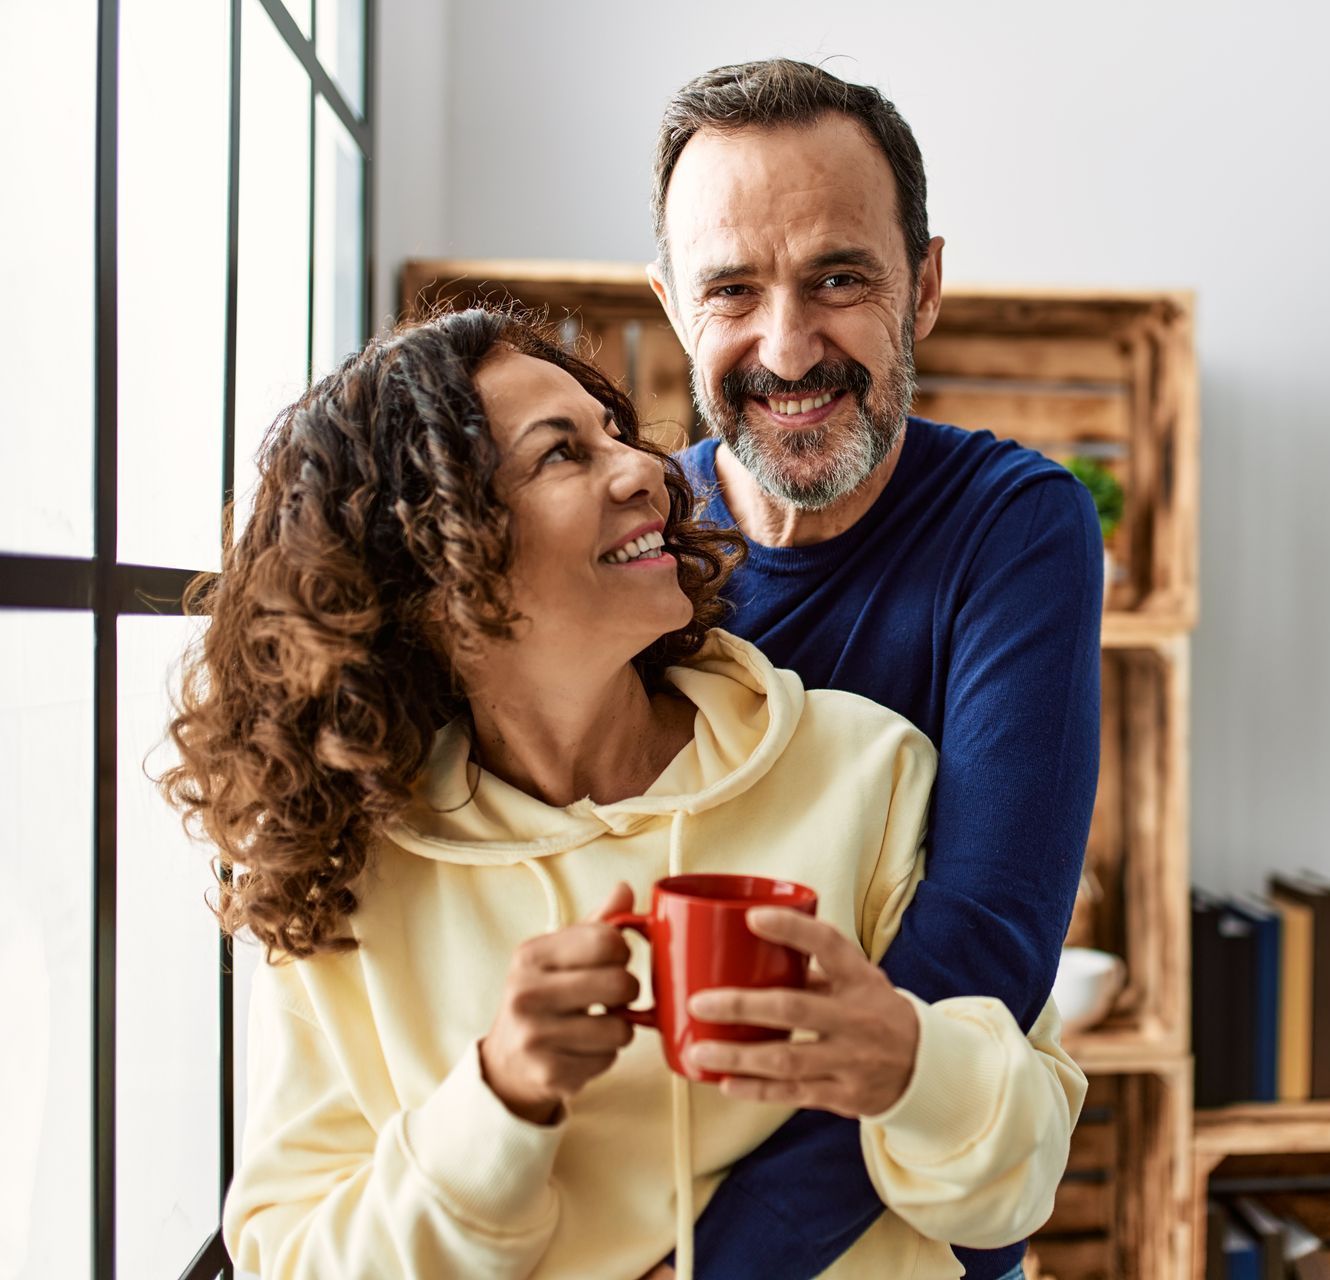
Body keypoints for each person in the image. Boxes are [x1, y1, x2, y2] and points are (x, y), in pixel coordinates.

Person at [161, 307, 1085, 1279]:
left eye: (612, 431)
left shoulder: (857, 765)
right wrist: (495, 1099)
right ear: (432, 558)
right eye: (562, 453)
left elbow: (1018, 1191)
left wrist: (908, 1064)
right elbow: (290, 1257)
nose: (647, 467)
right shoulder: (351, 879)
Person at [641, 59, 1104, 1280]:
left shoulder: (1018, 526)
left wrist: (711, 1267)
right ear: (674, 305)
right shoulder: (624, 544)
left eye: (838, 277)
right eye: (732, 289)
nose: (787, 348)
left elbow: (979, 954)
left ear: (926, 286)